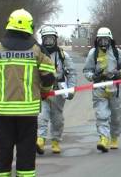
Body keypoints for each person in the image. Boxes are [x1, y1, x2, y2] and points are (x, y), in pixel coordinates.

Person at [0, 9, 55, 177]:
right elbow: (49, 76)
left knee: (2, 152)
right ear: (29, 27)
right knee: (26, 153)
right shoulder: (37, 51)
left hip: (3, 112)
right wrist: (43, 93)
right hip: (28, 113)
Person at [83, 27, 121, 152]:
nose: (103, 43)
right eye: (101, 40)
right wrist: (94, 76)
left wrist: (118, 74)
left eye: (106, 40)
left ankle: (114, 137)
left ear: (110, 40)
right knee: (101, 114)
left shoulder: (117, 52)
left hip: (115, 89)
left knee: (116, 116)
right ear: (97, 40)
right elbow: (87, 70)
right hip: (99, 88)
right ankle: (103, 138)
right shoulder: (93, 53)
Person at [36, 25, 77, 154]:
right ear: (42, 39)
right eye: (46, 39)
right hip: (42, 91)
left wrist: (71, 89)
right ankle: (40, 141)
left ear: (55, 39)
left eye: (51, 39)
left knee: (57, 119)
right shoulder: (37, 54)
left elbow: (71, 73)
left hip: (58, 91)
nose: (49, 42)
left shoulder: (62, 55)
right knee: (41, 117)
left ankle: (55, 141)